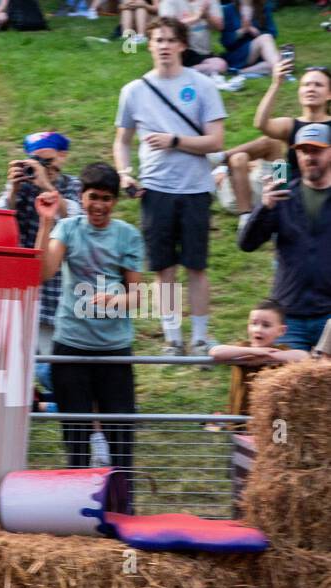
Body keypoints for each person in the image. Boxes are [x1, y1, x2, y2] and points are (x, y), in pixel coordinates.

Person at [115, 15, 226, 357]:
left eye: (169, 40)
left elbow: (216, 141)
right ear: (149, 45)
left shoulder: (203, 85)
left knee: (196, 265)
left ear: (182, 45)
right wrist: (125, 172)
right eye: (157, 40)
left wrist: (175, 140)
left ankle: (202, 338)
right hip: (156, 189)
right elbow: (122, 141)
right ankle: (173, 339)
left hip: (194, 188)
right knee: (164, 268)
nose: (163, 46)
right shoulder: (133, 91)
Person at [34, 163, 145, 476]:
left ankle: (123, 508)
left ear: (115, 202)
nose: (99, 205)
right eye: (93, 197)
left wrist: (115, 299)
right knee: (76, 436)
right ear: (81, 197)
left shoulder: (128, 236)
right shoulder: (67, 229)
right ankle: (77, 513)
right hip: (70, 345)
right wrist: (45, 223)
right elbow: (44, 272)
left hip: (114, 348)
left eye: (107, 198)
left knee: (121, 435)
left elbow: (137, 296)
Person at [238, 123, 331, 352]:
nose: (309, 157)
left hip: (330, 316)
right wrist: (264, 207)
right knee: (288, 386)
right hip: (289, 317)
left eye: (316, 150)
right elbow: (247, 243)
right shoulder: (282, 196)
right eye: (303, 151)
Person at [0, 131, 82, 354]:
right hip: (25, 290)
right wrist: (14, 190)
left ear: (62, 157)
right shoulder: (22, 187)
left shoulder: (72, 185)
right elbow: (1, 223)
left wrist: (47, 186)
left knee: (54, 365)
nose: (42, 167)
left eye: (48, 161)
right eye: (37, 162)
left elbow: (76, 222)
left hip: (59, 291)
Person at [208, 299, 308, 417]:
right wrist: (253, 351)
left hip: (272, 421)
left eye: (266, 325)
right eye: (254, 323)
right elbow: (215, 352)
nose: (258, 329)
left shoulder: (281, 351)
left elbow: (304, 356)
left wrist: (269, 355)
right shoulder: (242, 349)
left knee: (280, 434)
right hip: (241, 423)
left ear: (281, 331)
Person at [254, 62, 331, 183]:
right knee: (275, 155)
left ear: (329, 94)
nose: (311, 89)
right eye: (306, 85)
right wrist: (276, 84)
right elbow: (261, 124)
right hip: (292, 192)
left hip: (326, 191)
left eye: (318, 85)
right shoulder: (289, 125)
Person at [156, 1, 228, 78]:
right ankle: (180, 71)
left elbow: (220, 27)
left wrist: (206, 15)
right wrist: (196, 17)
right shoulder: (168, 2)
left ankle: (183, 72)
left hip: (202, 53)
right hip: (178, 52)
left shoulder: (209, 2)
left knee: (221, 65)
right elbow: (167, 28)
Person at [220, 1, 278, 78]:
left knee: (277, 58)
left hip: (261, 52)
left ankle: (239, 72)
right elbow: (226, 42)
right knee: (265, 39)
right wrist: (242, 30)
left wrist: (256, 32)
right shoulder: (228, 10)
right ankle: (280, 71)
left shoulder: (263, 7)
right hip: (238, 54)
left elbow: (273, 33)